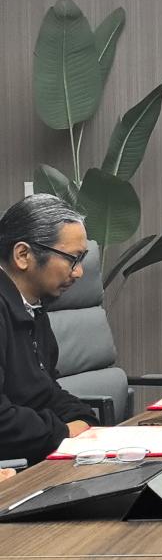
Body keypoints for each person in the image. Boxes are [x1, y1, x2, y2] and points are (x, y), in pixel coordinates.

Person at [0, 194, 97, 465]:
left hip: (34, 457)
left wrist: (84, 419)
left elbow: (45, 391)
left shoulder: (32, 307)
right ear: (23, 255)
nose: (78, 272)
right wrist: (62, 431)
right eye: (72, 259)